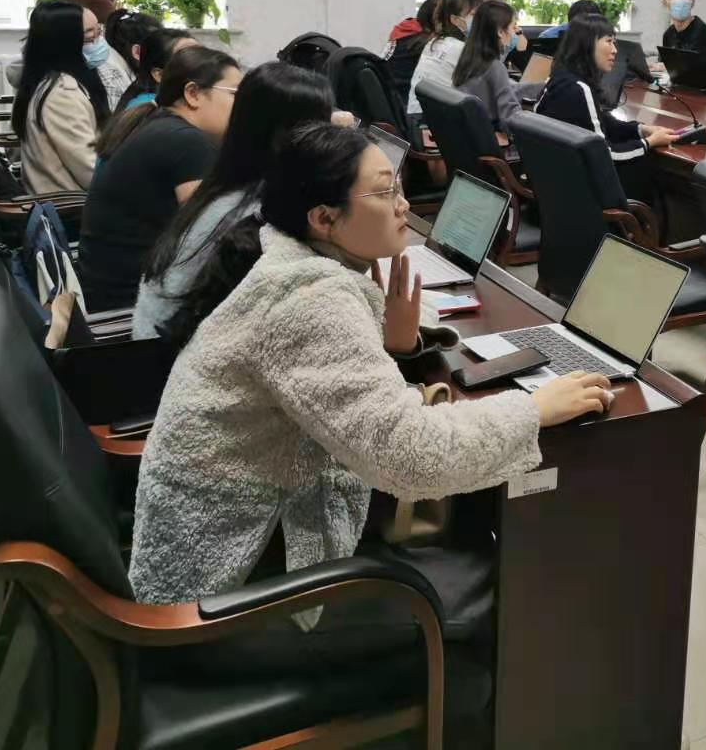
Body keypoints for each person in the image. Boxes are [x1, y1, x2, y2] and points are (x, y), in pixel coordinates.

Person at [129, 121, 614, 613]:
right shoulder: (310, 300)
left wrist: (391, 346)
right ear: (324, 218)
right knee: (500, 585)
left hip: (237, 536)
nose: (403, 205)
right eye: (384, 193)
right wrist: (532, 410)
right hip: (230, 583)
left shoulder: (287, 259)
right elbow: (412, 457)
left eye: (398, 187)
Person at [133, 62, 336, 340]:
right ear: (284, 137)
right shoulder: (255, 217)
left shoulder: (226, 187)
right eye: (322, 128)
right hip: (173, 354)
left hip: (154, 342)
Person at [78, 47, 241, 311]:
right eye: (235, 94)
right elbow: (211, 238)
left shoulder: (159, 125)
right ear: (193, 93)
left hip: (106, 292)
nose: (242, 106)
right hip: (133, 307)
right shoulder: (187, 143)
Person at [537, 13, 677, 204]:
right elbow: (607, 155)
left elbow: (600, 120)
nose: (614, 50)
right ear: (587, 44)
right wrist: (650, 142)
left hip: (559, 186)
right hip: (587, 196)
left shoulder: (560, 78)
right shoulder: (579, 89)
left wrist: (641, 129)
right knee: (651, 173)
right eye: (609, 41)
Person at [12, 0, 111, 193]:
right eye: (90, 36)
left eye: (99, 31)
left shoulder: (51, 79)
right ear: (65, 44)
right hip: (73, 205)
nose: (99, 41)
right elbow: (91, 172)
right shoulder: (62, 96)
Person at [452, 0, 523, 131]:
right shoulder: (495, 66)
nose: (514, 33)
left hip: (467, 132)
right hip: (488, 135)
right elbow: (509, 119)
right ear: (500, 32)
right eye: (513, 27)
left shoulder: (468, 60)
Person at [407, 0, 477, 120]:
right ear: (455, 19)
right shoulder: (461, 49)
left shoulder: (434, 42)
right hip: (436, 121)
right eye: (474, 15)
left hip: (416, 117)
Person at [116, 27, 199, 111]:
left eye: (201, 53)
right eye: (188, 58)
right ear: (159, 75)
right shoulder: (148, 109)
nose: (202, 61)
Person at [653, 0, 706, 68]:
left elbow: (698, 67)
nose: (681, 1)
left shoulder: (700, 30)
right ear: (665, 2)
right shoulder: (668, 34)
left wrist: (667, 66)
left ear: (692, 3)